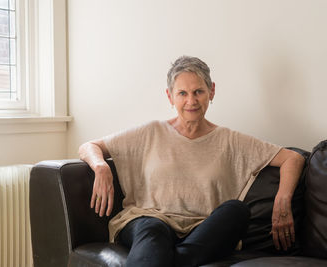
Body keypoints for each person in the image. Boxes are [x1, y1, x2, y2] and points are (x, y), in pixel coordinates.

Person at [79, 56, 305, 267]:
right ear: (170, 96)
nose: (191, 101)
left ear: (211, 91)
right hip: (150, 221)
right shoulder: (151, 132)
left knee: (237, 211)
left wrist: (282, 201)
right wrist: (100, 167)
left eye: (198, 91)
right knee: (153, 229)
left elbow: (292, 159)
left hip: (202, 230)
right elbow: (90, 146)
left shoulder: (230, 140)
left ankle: (177, 259)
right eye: (182, 93)